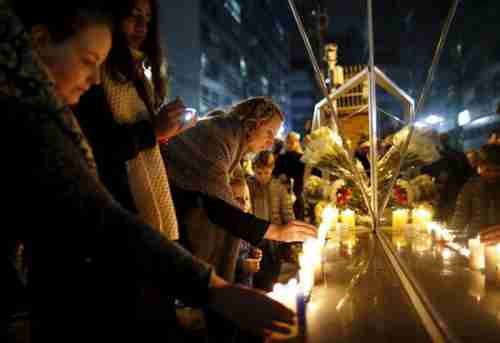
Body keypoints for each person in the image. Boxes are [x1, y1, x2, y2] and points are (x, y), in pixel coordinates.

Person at [2, 1, 295, 341]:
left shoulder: (44, 108)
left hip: (134, 249)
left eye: (147, 19)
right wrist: (214, 287)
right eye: (88, 61)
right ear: (38, 41)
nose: (94, 78)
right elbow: (99, 213)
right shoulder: (28, 122)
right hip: (91, 271)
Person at [74, 0, 191, 240]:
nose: (141, 26)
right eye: (134, 15)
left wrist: (163, 132)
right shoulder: (90, 75)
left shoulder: (138, 80)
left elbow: (143, 148)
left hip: (139, 219)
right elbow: (93, 151)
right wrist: (153, 132)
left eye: (147, 20)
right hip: (107, 224)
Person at [248, 151, 296, 291]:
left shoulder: (278, 188)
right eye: (259, 173)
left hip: (274, 243)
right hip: (255, 240)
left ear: (272, 169)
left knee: (272, 278)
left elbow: (287, 213)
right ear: (253, 170)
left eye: (266, 172)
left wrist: (290, 238)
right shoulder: (248, 186)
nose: (263, 177)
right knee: (256, 280)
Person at [450, 144, 500, 238]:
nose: (493, 174)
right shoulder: (470, 187)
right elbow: (460, 217)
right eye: (488, 170)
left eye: (497, 170)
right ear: (479, 167)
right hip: (475, 240)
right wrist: (452, 235)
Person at [273, 131, 307, 219]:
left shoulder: (303, 158)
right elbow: (275, 172)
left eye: (293, 141)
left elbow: (304, 174)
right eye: (288, 142)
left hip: (297, 190)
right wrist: (280, 175)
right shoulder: (281, 157)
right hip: (283, 189)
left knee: (297, 214)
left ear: (297, 143)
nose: (290, 144)